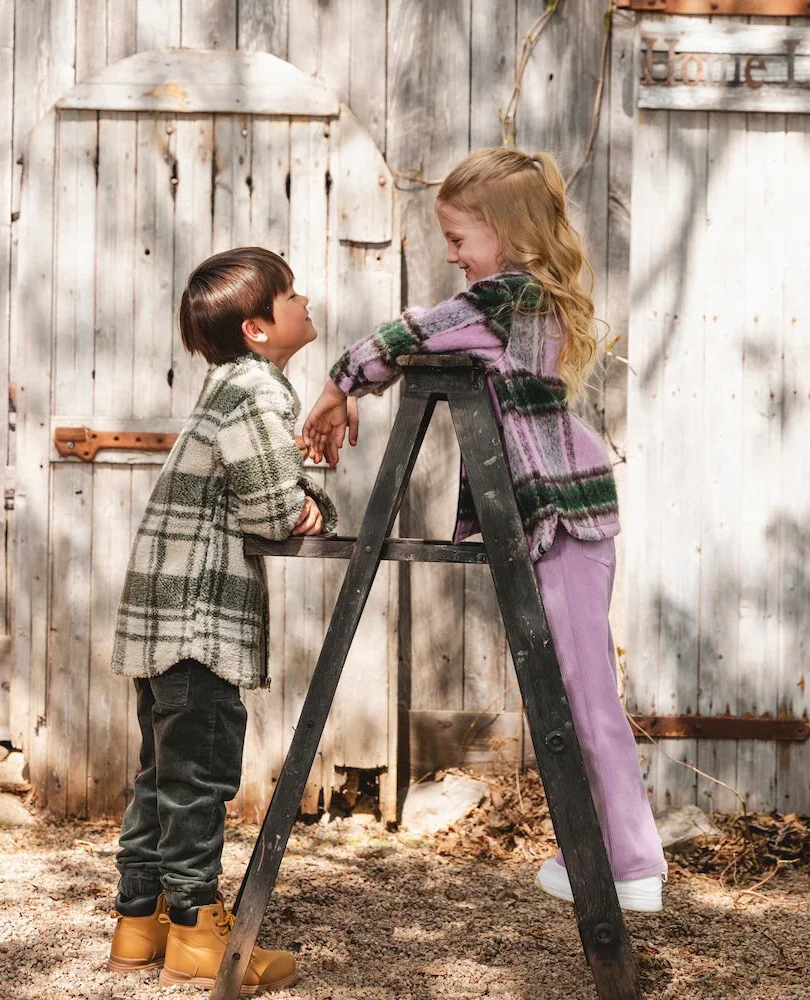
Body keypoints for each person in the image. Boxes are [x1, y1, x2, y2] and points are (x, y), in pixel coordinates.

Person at [302, 147, 668, 912]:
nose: (453, 255)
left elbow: (412, 332)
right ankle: (597, 853)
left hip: (564, 513)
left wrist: (340, 385)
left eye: (459, 238)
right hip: (562, 511)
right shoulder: (513, 302)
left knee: (584, 692)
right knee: (569, 690)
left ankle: (632, 863)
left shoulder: (507, 299)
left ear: (505, 230)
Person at [107, 246, 333, 992]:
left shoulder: (226, 388)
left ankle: (140, 921)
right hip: (199, 624)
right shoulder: (255, 391)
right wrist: (313, 503)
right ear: (257, 328)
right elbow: (272, 510)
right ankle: (197, 932)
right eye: (291, 296)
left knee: (162, 775)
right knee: (198, 778)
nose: (306, 302)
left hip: (164, 620)